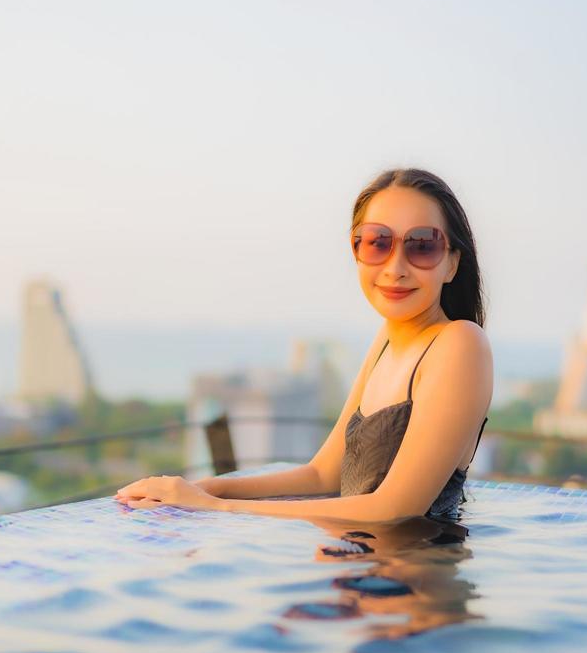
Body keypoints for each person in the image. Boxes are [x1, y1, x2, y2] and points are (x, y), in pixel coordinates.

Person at [114, 167, 493, 524]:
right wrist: (197, 488)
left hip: (415, 586)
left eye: (422, 246)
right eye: (378, 243)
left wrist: (215, 507)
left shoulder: (459, 344)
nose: (395, 266)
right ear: (356, 251)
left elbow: (395, 509)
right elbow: (322, 474)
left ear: (452, 263)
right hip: (358, 575)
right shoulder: (387, 341)